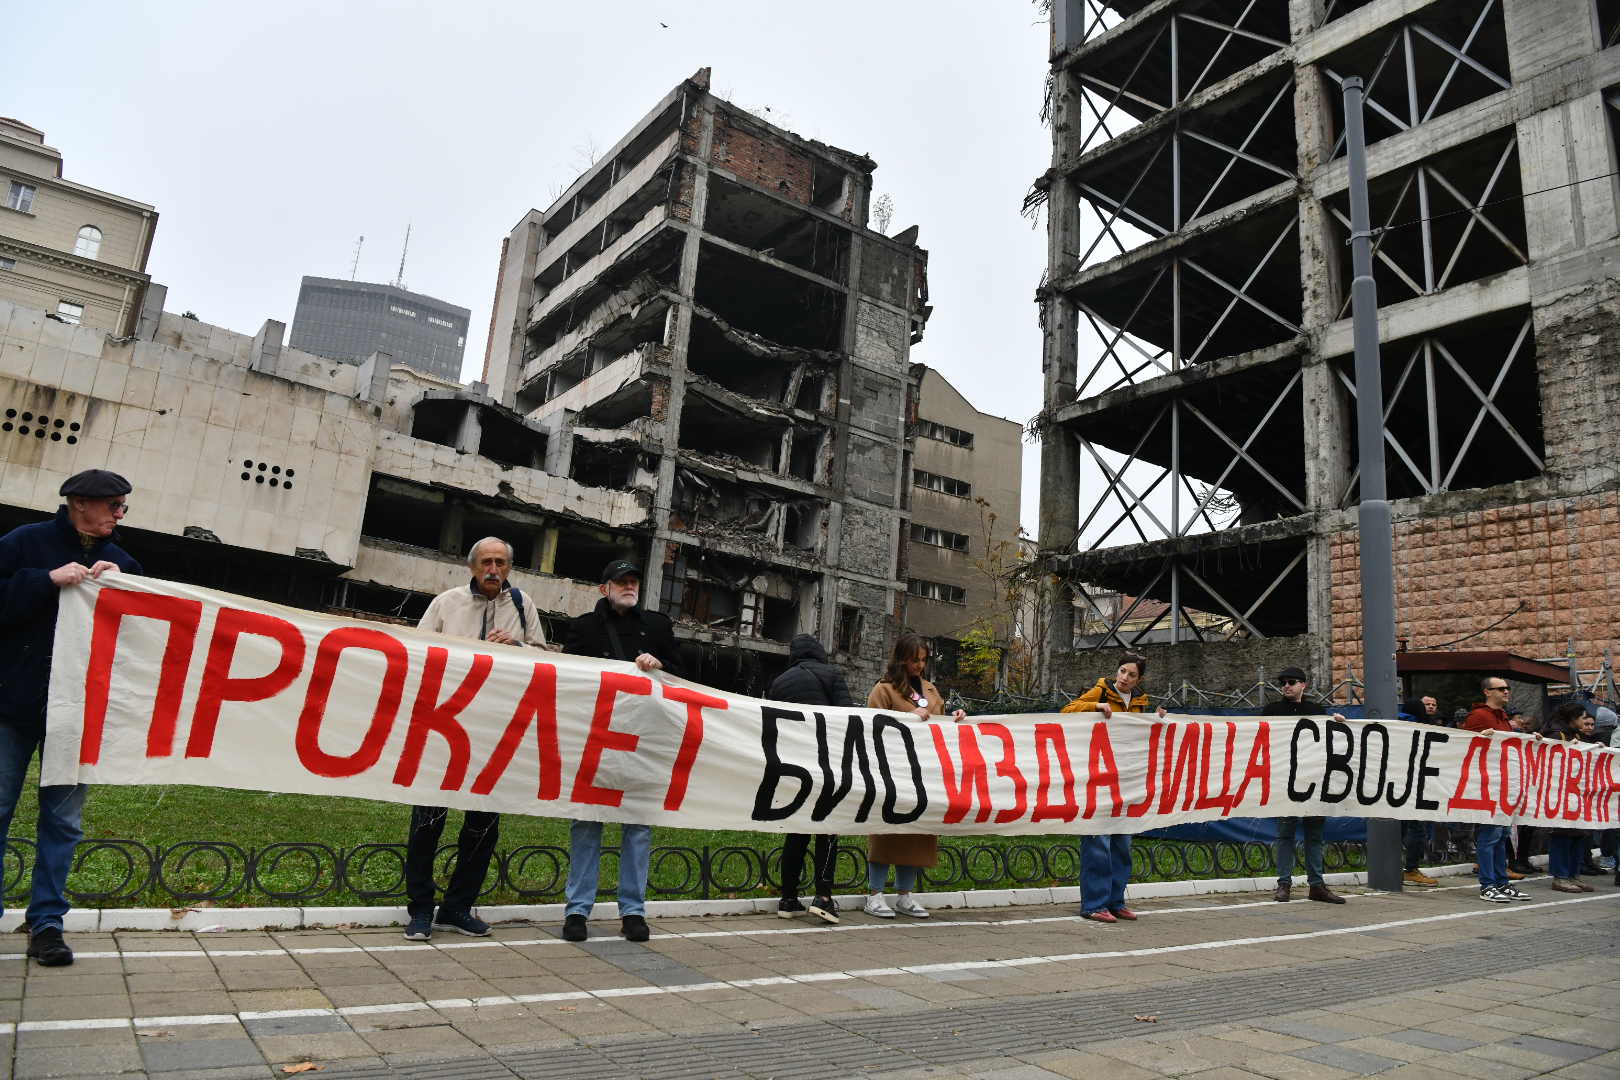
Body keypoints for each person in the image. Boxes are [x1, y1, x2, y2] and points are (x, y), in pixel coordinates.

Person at [0, 469, 141, 967]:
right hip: (11, 705)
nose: (120, 515)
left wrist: (127, 592)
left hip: (77, 716)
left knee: (62, 822)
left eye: (123, 507)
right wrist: (45, 581)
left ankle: (47, 924)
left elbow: (138, 640)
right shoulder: (24, 543)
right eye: (114, 506)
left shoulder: (122, 562)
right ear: (80, 503)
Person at [403, 537, 551, 941]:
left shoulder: (523, 605)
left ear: (509, 568)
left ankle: (457, 908)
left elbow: (543, 655)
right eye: (486, 561)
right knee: (428, 820)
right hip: (444, 726)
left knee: (482, 824)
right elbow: (419, 651)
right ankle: (419, 910)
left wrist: (517, 645)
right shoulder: (447, 603)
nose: (493, 569)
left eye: (501, 563)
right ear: (471, 567)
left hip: (495, 729)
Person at [560, 559, 680, 943]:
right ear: (604, 588)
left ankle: (633, 911)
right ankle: (578, 911)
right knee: (586, 822)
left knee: (638, 827)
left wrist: (659, 665)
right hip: (596, 739)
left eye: (633, 581)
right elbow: (567, 677)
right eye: (621, 581)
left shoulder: (658, 626)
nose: (629, 586)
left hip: (644, 741)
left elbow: (683, 674)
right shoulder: (584, 627)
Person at [863, 634, 966, 919]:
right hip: (893, 771)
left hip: (924, 773)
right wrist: (908, 719)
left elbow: (940, 726)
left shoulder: (931, 691)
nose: (920, 665)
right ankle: (875, 894)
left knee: (916, 833)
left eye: (923, 660)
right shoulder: (883, 690)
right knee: (886, 832)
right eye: (914, 660)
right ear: (901, 659)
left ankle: (905, 895)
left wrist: (955, 718)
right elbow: (872, 727)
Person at [1063, 652, 1167, 923]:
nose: (1124, 678)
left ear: (1139, 679)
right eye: (1122, 671)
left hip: (1126, 780)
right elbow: (1066, 711)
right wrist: (1095, 708)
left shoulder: (1140, 703)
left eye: (1132, 674)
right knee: (1098, 840)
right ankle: (1094, 904)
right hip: (1097, 778)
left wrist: (1157, 719)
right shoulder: (1101, 691)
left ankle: (1116, 901)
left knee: (1122, 843)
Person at [767, 634, 852, 925]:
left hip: (791, 767)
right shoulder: (831, 674)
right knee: (827, 827)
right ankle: (824, 897)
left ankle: (788, 897)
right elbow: (846, 717)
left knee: (797, 828)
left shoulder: (779, 682)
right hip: (824, 764)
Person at [1266, 667, 1347, 903]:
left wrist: (1341, 725)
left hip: (1312, 780)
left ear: (1304, 685)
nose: (1286, 686)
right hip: (1285, 779)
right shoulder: (1272, 711)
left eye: (1291, 682)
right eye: (1283, 683)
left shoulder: (1316, 711)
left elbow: (1331, 740)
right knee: (1285, 833)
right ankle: (1284, 884)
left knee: (1314, 834)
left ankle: (1317, 885)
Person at [1461, 677, 1531, 903]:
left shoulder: (1503, 719)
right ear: (1487, 692)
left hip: (1502, 785)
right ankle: (1488, 884)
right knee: (1490, 836)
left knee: (1501, 836)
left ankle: (1501, 882)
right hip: (1487, 786)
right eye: (1500, 688)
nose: (1506, 691)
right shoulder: (1479, 717)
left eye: (1507, 688)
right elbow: (1465, 745)